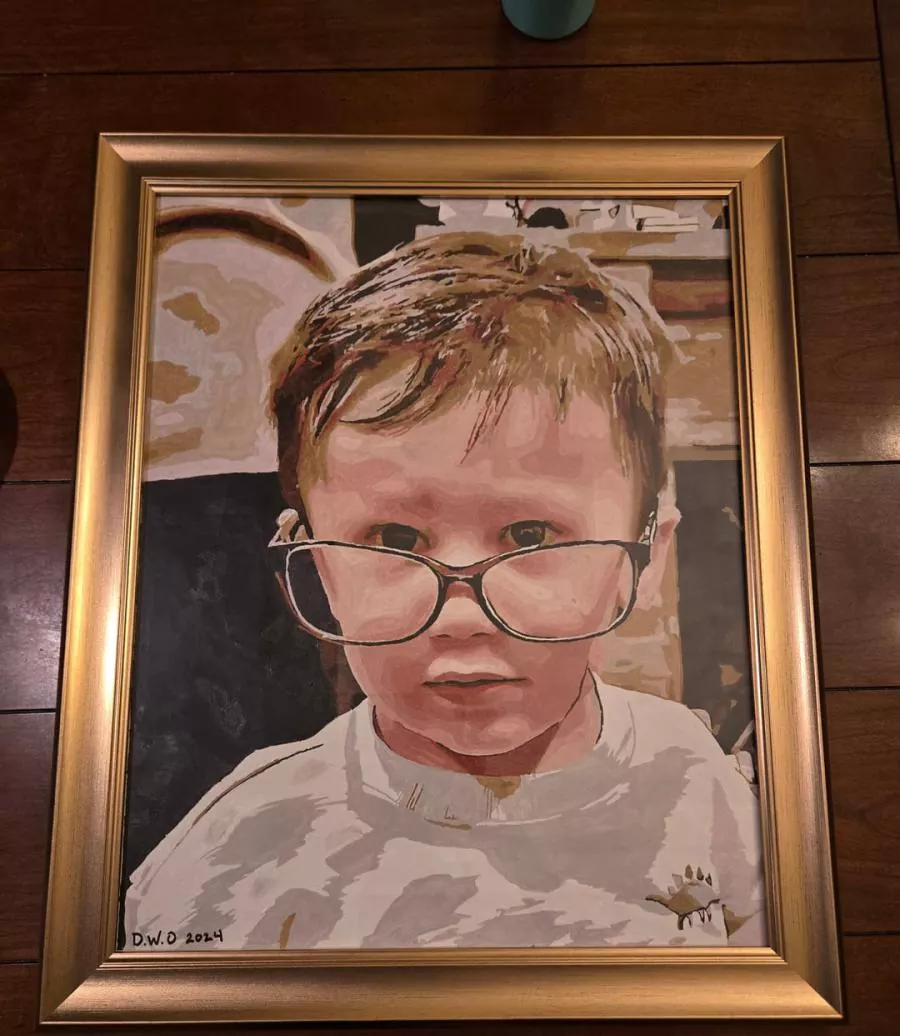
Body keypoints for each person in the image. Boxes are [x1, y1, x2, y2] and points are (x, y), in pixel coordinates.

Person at [125, 231, 765, 951]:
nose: (461, 617)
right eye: (396, 538)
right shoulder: (238, 856)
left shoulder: (698, 782)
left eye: (529, 535)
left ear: (644, 562)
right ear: (319, 564)